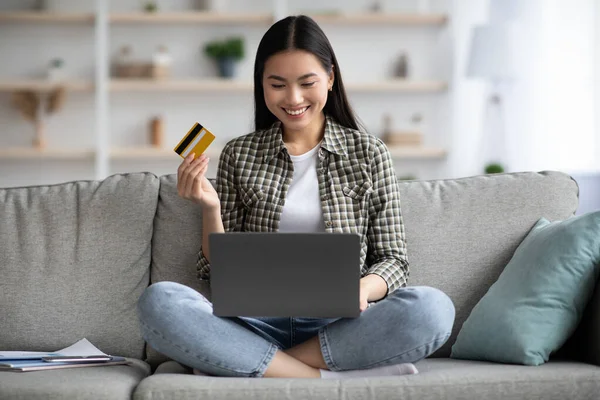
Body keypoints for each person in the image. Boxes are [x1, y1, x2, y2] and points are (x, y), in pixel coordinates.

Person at [137, 15, 455, 379]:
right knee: (159, 301)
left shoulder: (369, 153)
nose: (293, 98)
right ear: (261, 85)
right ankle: (319, 375)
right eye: (277, 84)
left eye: (307, 83)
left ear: (331, 78)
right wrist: (211, 208)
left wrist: (361, 289)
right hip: (252, 322)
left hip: (339, 324)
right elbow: (216, 270)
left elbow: (394, 260)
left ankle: (256, 362)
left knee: (433, 308)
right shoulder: (239, 154)